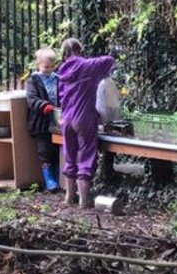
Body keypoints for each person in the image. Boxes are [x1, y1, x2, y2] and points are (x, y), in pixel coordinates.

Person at [55, 38, 116, 208]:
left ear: (64, 54)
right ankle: (84, 200)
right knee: (86, 156)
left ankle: (69, 197)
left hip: (66, 118)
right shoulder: (88, 65)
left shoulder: (62, 71)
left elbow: (60, 97)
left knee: (70, 156)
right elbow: (110, 60)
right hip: (84, 118)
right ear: (81, 50)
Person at [23, 48, 61, 192]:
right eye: (46, 67)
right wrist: (43, 105)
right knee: (44, 150)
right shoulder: (33, 80)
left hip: (56, 119)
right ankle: (49, 179)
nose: (49, 70)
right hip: (41, 122)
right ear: (38, 65)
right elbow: (31, 99)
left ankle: (58, 177)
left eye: (52, 66)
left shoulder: (57, 79)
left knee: (56, 149)